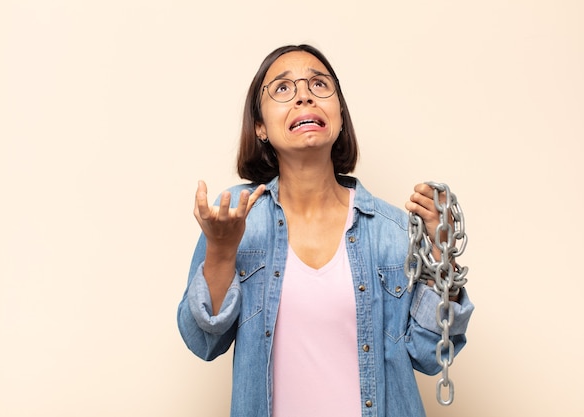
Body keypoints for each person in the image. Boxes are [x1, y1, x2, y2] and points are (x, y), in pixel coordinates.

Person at [177, 44, 474, 417]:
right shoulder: (237, 219)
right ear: (260, 127)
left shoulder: (392, 231)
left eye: (319, 85)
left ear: (338, 113)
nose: (304, 96)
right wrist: (220, 251)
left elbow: (430, 355)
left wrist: (441, 259)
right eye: (283, 89)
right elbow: (202, 341)